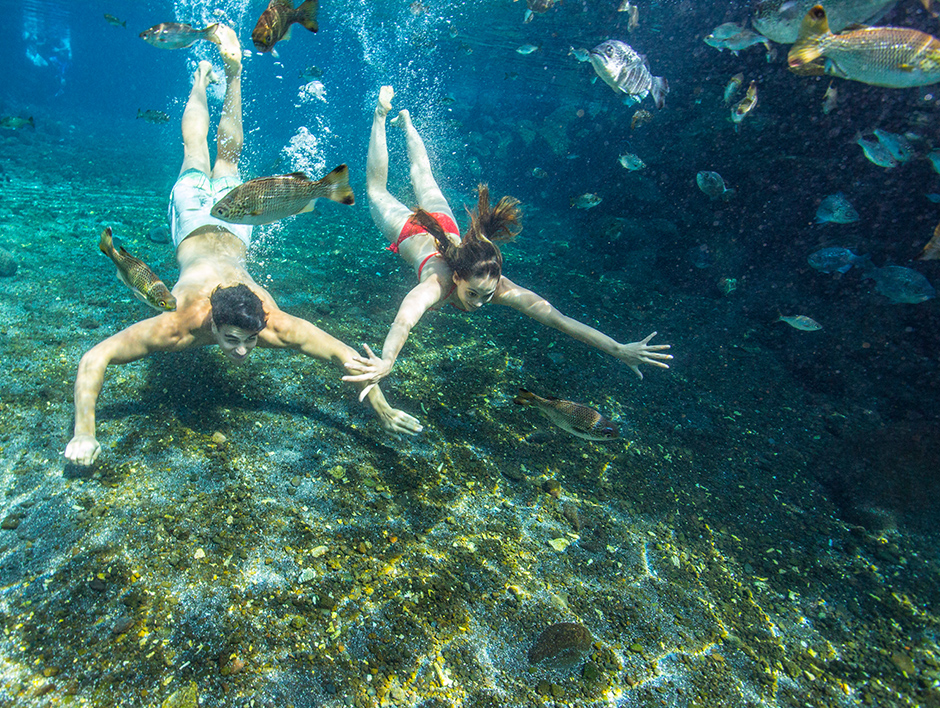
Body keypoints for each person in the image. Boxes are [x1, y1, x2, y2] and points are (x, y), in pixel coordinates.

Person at [64, 31, 421, 467]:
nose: (242, 350)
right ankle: (203, 79)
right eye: (232, 339)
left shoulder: (270, 323)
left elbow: (344, 356)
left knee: (223, 157)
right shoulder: (179, 324)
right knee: (199, 154)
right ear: (212, 322)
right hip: (197, 218)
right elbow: (94, 358)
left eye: (249, 340)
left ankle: (231, 75)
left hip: (235, 223)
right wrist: (84, 433)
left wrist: (383, 408)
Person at [344, 86, 672, 396]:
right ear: (457, 277)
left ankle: (406, 121)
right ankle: (381, 114)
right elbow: (404, 320)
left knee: (423, 175)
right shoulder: (437, 283)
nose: (479, 302)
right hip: (411, 233)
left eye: (486, 295)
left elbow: (559, 320)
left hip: (446, 226)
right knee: (376, 189)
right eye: (473, 293)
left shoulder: (498, 287)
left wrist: (618, 349)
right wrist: (387, 360)